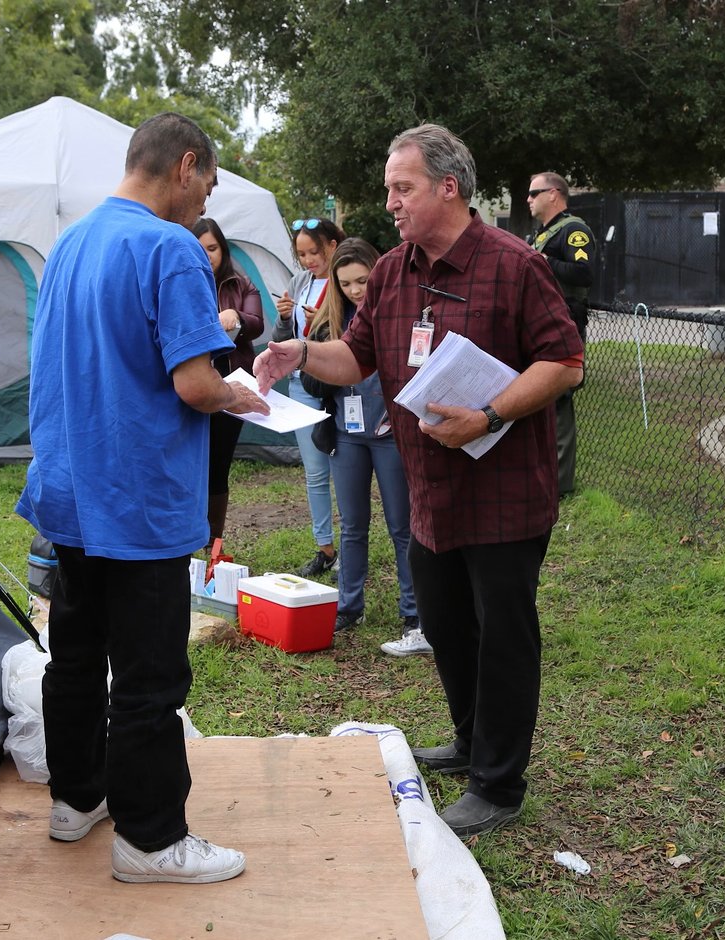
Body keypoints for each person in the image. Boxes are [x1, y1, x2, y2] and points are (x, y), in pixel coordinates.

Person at [254, 124, 584, 837]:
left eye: (401, 188)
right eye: (387, 190)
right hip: (429, 492)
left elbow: (563, 363)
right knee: (445, 625)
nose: (391, 203)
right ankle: (471, 743)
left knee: (502, 637)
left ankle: (500, 785)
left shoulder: (516, 264)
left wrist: (489, 413)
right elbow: (358, 357)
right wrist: (300, 351)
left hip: (503, 496)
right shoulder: (397, 269)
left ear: (448, 187)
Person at [16, 112, 268, 883]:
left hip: (69, 489)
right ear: (187, 166)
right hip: (139, 498)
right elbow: (194, 384)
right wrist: (242, 394)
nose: (205, 206)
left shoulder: (70, 244)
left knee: (76, 657)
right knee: (152, 675)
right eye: (210, 187)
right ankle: (151, 841)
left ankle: (76, 800)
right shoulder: (170, 248)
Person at [301, 236, 426, 654]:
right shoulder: (329, 319)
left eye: (362, 280)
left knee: (402, 525)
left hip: (390, 433)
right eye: (346, 283)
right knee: (352, 525)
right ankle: (348, 606)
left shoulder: (396, 312)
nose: (356, 290)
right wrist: (318, 360)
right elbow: (309, 378)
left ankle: (416, 614)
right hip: (345, 434)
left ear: (378, 273)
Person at [272, 217, 345, 579]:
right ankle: (325, 549)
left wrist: (326, 324)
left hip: (339, 386)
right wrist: (285, 318)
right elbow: (281, 334)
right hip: (303, 383)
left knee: (345, 470)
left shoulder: (347, 279)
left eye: (313, 252)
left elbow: (356, 334)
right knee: (315, 473)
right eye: (301, 254)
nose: (307, 261)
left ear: (332, 246)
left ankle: (351, 549)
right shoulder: (299, 282)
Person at [191, 217, 264, 548]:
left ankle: (213, 542)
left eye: (212, 248)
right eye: (199, 248)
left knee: (218, 466)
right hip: (191, 384)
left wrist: (238, 318)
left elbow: (257, 323)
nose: (207, 255)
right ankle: (188, 539)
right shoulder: (183, 281)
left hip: (232, 385)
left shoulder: (239, 283)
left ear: (223, 249)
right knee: (190, 465)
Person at [526, 172, 595, 497]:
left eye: (534, 193)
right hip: (539, 320)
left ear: (554, 194)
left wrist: (544, 260)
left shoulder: (573, 230)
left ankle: (560, 484)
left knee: (560, 398)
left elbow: (584, 272)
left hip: (565, 318)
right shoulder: (541, 234)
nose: (528, 199)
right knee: (540, 395)